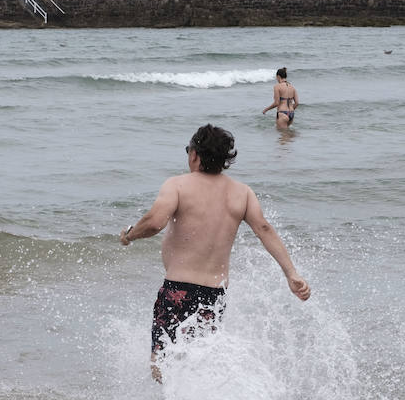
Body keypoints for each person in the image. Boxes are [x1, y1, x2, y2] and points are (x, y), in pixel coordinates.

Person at [120, 123, 310, 379]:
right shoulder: (242, 193)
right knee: (197, 360)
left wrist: (130, 235)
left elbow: (155, 222)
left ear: (194, 154)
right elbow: (264, 229)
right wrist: (291, 273)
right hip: (215, 295)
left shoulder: (177, 185)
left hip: (178, 290)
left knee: (160, 364)